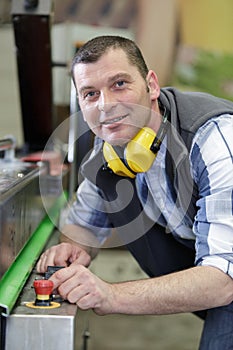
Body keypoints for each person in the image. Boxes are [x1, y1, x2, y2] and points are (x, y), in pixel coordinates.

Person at [37, 35, 233, 349]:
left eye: (119, 84)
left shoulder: (213, 137)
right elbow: (82, 224)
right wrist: (74, 248)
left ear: (151, 86)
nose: (106, 105)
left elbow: (223, 282)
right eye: (90, 93)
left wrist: (110, 294)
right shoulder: (109, 152)